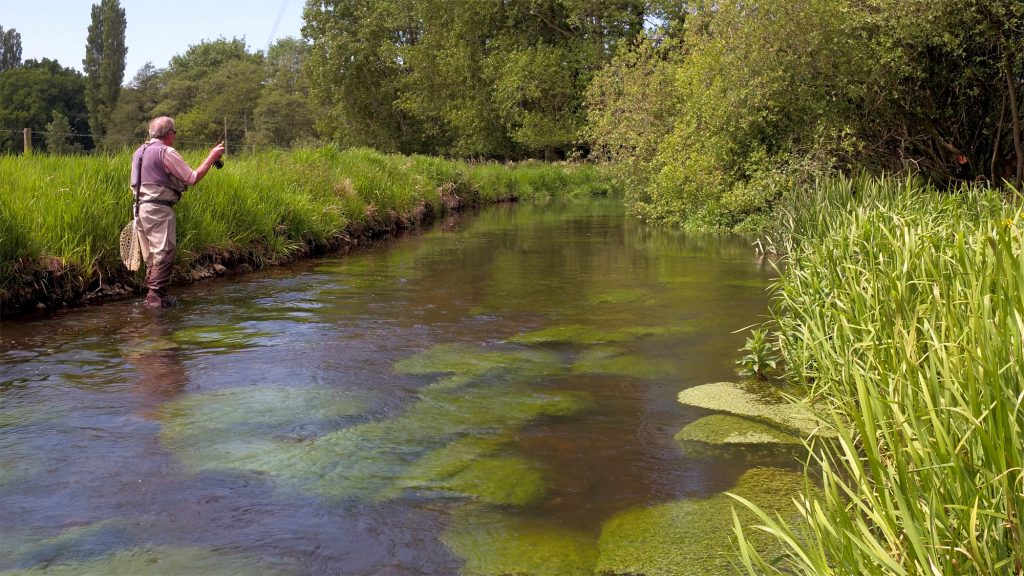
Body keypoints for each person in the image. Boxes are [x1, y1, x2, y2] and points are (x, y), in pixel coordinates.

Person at [130, 116, 224, 308]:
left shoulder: (138, 152)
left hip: (140, 209)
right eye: (175, 133)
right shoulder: (166, 152)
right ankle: (156, 299)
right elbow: (191, 178)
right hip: (159, 208)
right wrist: (212, 158)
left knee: (151, 256)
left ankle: (153, 299)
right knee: (164, 253)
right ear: (170, 133)